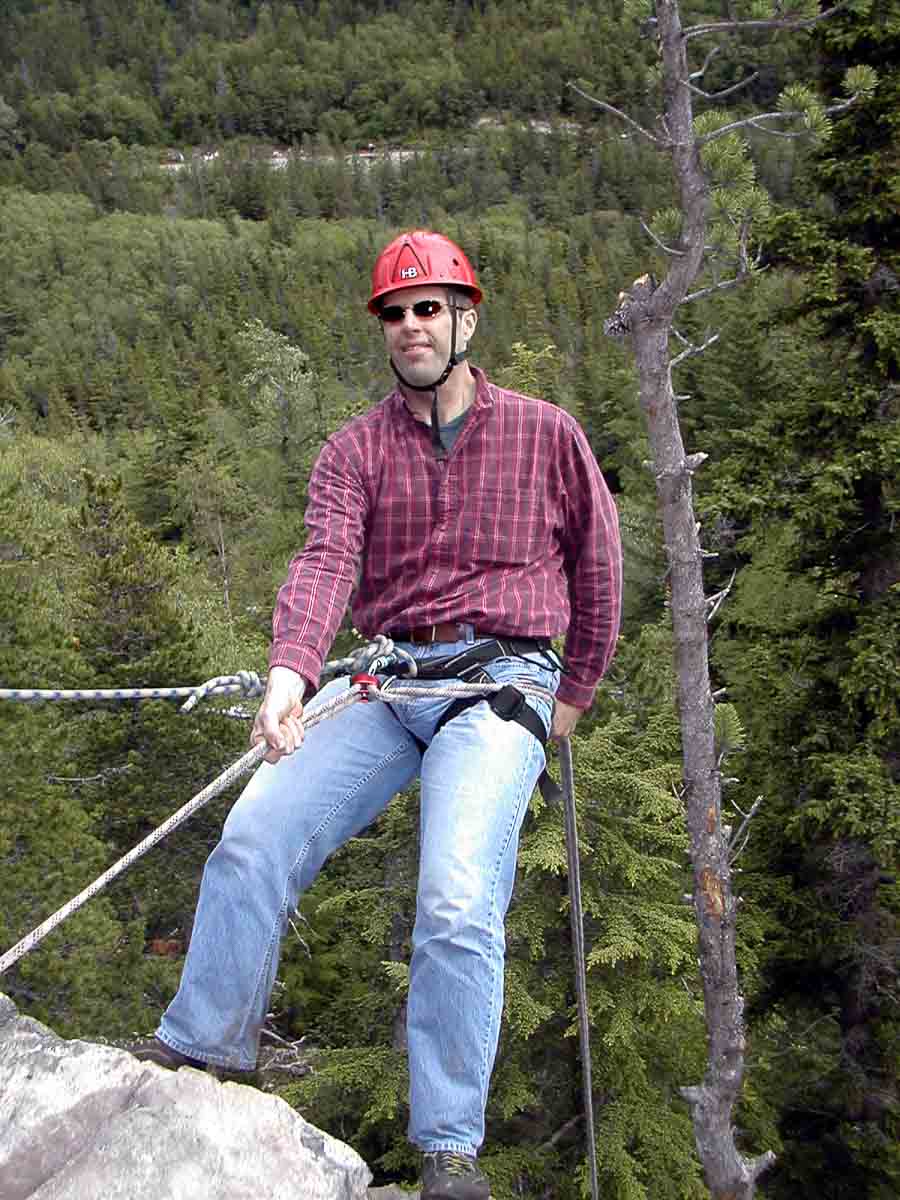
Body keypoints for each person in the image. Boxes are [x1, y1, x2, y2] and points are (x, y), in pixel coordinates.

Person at [132, 231, 622, 1200]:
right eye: (395, 313)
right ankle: (205, 1052)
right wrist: (287, 676)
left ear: (466, 319)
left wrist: (573, 696)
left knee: (453, 900)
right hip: (384, 684)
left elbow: (598, 563)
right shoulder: (352, 453)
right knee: (251, 838)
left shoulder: (545, 434)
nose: (410, 327)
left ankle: (448, 1147)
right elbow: (322, 565)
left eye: (429, 308)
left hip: (497, 687)